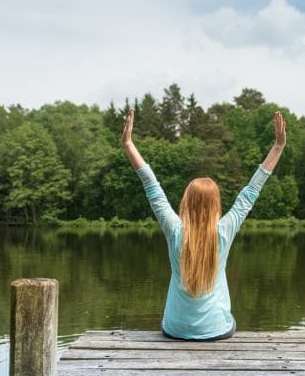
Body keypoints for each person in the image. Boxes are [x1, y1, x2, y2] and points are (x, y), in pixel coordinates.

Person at [121, 108, 286, 340]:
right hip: (216, 330)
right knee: (230, 319)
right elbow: (251, 192)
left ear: (186, 203)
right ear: (216, 205)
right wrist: (278, 147)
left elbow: (153, 188)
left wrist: (129, 145)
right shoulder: (224, 230)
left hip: (174, 330)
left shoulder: (175, 230)